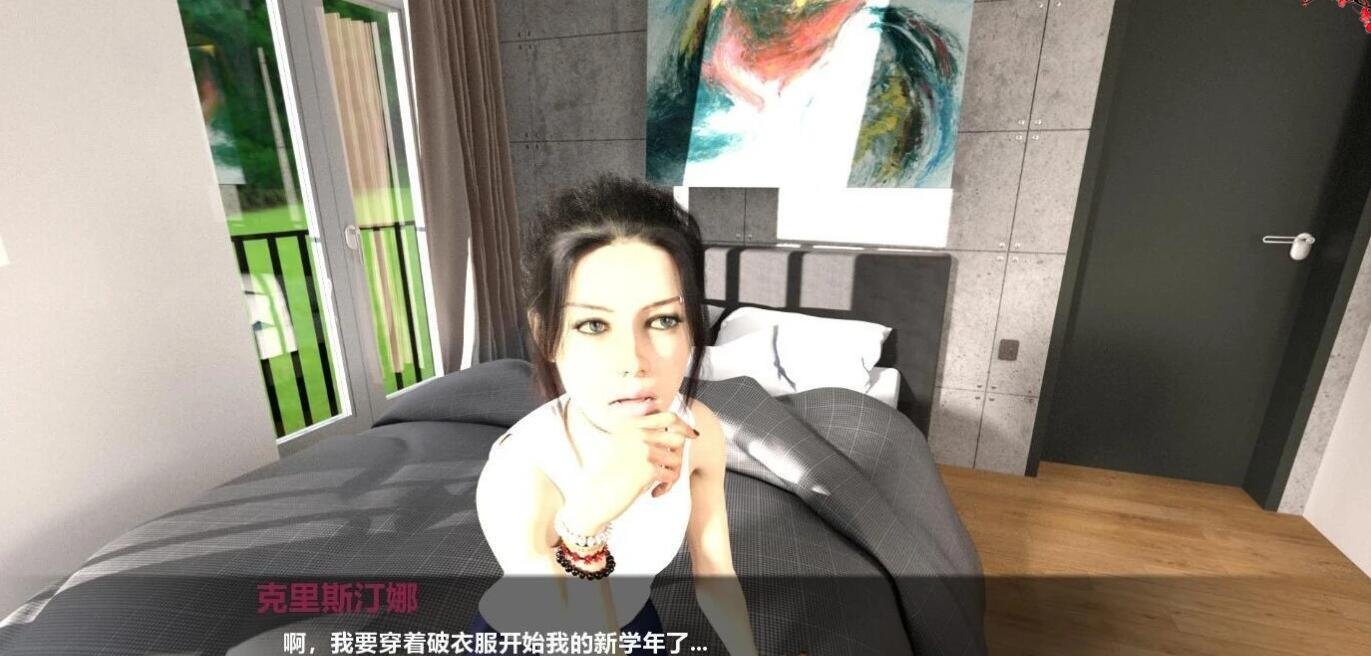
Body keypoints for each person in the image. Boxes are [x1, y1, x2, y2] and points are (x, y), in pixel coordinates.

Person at [471, 174, 761, 656]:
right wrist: (584, 523)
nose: (633, 361)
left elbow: (714, 572)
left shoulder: (699, 428)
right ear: (547, 335)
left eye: (663, 320)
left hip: (633, 619)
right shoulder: (519, 470)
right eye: (592, 324)